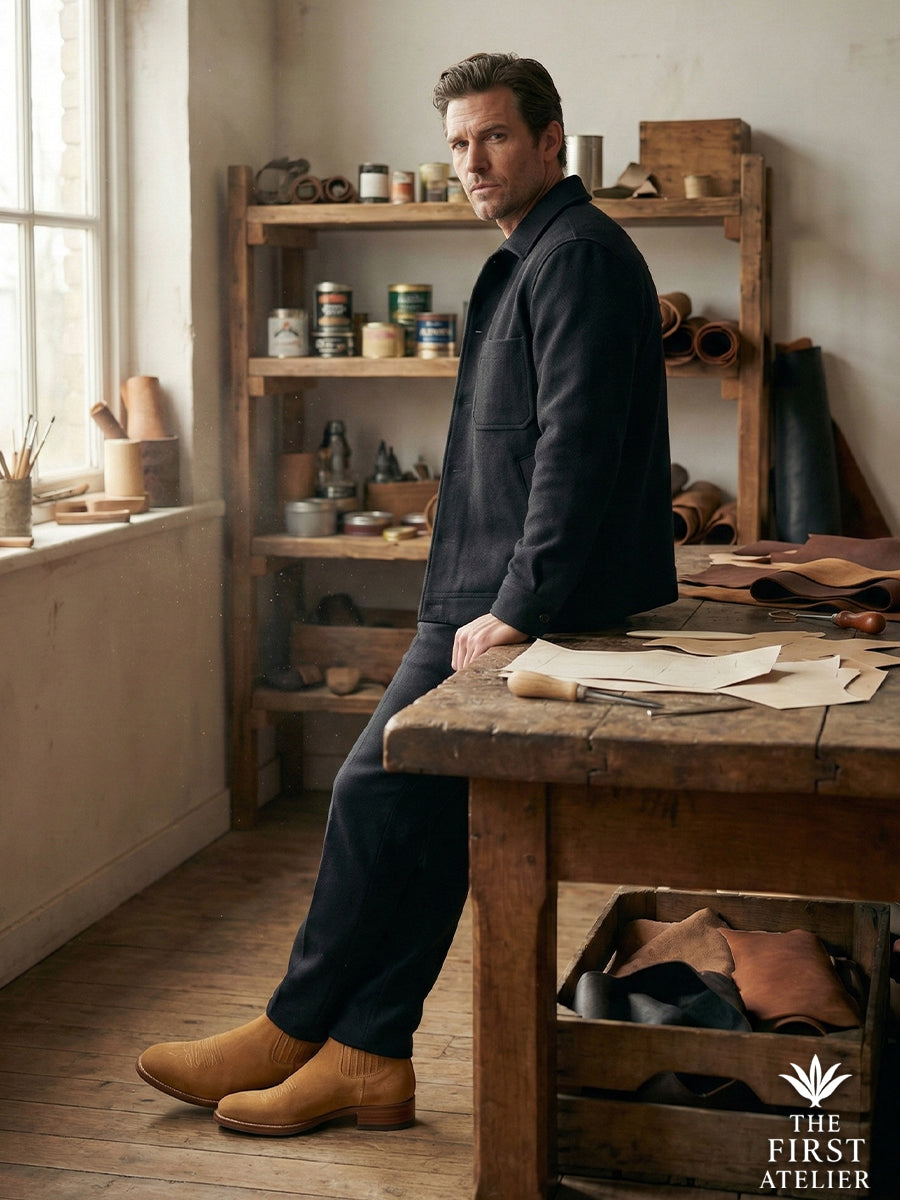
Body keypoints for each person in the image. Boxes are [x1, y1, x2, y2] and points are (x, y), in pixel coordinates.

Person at [136, 51, 677, 1137]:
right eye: (458, 145)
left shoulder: (571, 258)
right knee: (427, 830)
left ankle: (295, 1026)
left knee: (371, 794)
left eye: (495, 138)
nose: (473, 163)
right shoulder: (534, 255)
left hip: (519, 609)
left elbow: (573, 452)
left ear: (551, 140)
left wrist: (518, 605)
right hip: (480, 593)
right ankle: (370, 1058)